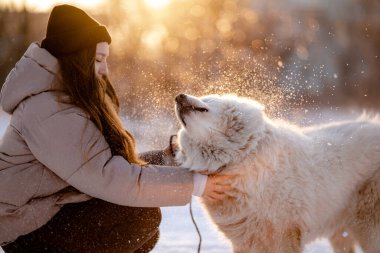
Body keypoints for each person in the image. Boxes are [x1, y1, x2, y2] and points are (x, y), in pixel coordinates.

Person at [0, 5, 233, 253]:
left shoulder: (64, 99)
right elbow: (109, 176)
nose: (105, 70)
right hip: (26, 227)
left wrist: (172, 159)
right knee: (138, 216)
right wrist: (194, 184)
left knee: (144, 205)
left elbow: (107, 164)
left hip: (53, 205)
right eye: (98, 59)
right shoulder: (47, 109)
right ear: (76, 58)